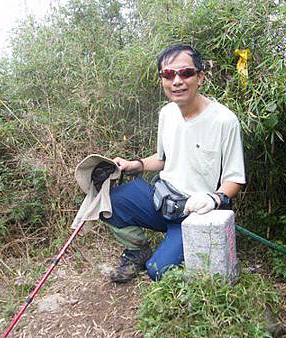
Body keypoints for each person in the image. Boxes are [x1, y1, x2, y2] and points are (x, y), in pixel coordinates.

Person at [101, 43, 246, 282]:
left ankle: (174, 242)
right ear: (162, 81)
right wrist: (132, 164)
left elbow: (235, 178)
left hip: (196, 213)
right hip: (161, 199)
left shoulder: (224, 120)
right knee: (110, 200)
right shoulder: (167, 113)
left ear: (200, 77)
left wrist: (213, 198)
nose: (177, 81)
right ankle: (137, 251)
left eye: (186, 73)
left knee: (158, 271)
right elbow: (162, 160)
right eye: (168, 74)